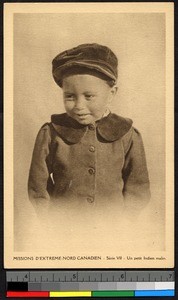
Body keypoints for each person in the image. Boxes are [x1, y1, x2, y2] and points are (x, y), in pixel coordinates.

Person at [28, 43, 151, 220]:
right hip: (64, 227)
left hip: (113, 228)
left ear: (111, 94)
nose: (79, 106)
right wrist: (49, 219)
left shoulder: (127, 134)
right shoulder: (51, 132)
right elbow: (37, 184)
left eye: (89, 96)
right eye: (69, 96)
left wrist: (126, 223)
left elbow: (138, 187)